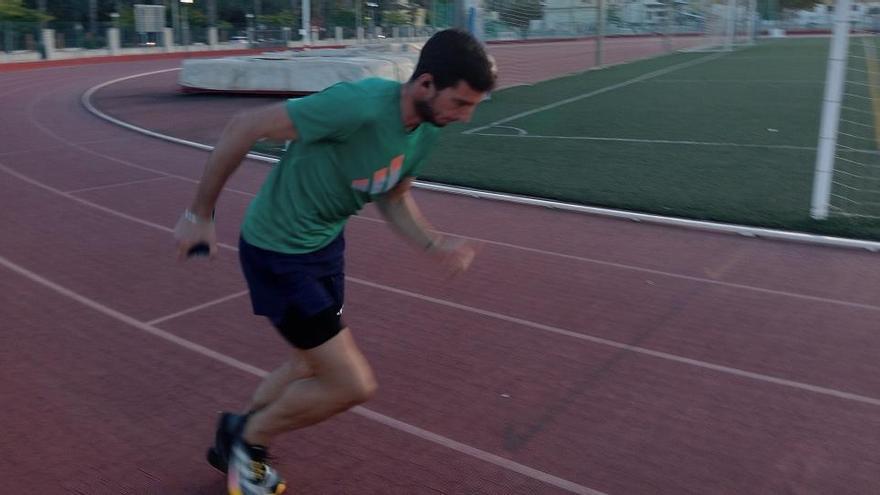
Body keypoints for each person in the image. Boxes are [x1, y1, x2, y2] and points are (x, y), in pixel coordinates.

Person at [173, 28, 497, 495]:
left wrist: (434, 244)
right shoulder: (359, 105)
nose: (464, 117)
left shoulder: (426, 130)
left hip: (324, 249)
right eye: (461, 104)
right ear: (426, 84)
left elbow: (394, 192)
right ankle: (249, 443)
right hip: (278, 252)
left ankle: (234, 434)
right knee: (351, 384)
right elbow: (244, 125)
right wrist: (199, 214)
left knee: (308, 365)